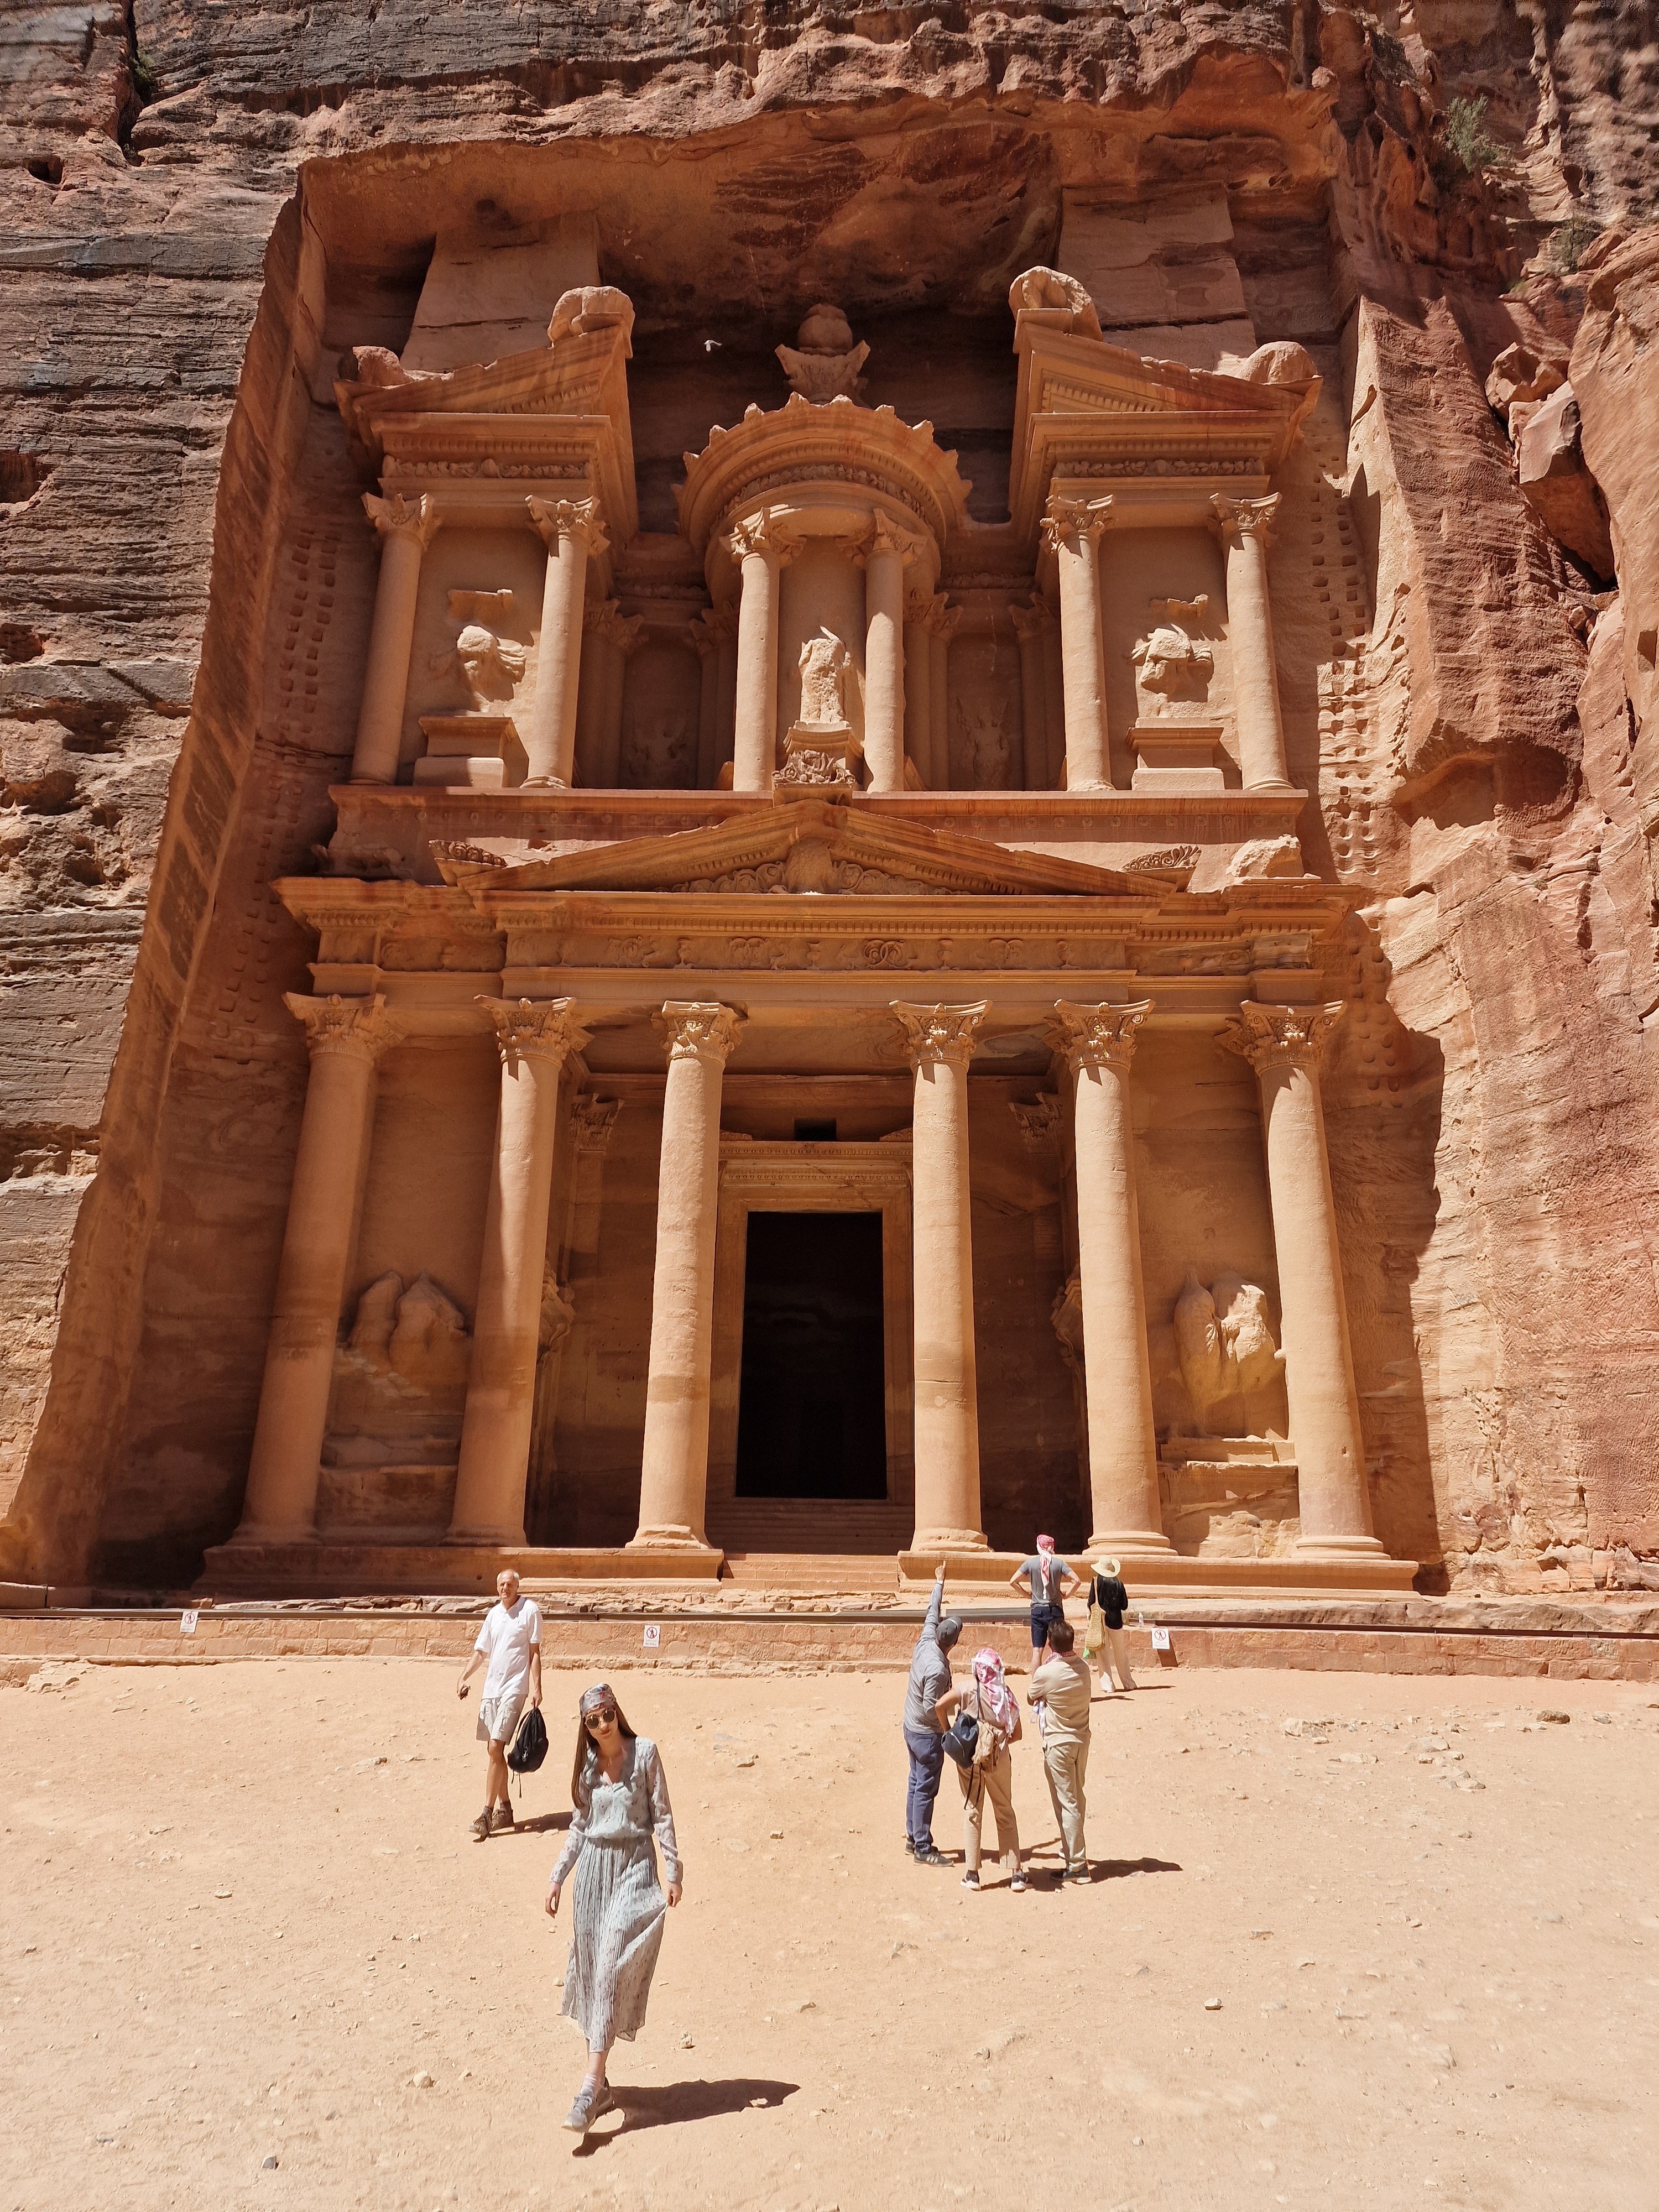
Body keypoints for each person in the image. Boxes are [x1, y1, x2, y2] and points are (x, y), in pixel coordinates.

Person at [545, 1683, 682, 2138]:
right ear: (585, 1727)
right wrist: (557, 1877)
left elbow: (662, 1815)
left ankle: (587, 2090)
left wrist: (674, 1870)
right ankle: (601, 2084)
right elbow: (578, 1828)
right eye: (593, 1720)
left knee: (608, 1966)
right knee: (590, 1974)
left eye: (607, 1714)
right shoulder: (587, 1767)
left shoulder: (645, 1754)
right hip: (592, 1877)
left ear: (617, 1712)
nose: (603, 1724)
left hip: (634, 1869)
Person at [455, 1567, 542, 1840]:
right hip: (491, 1689)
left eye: (509, 1584)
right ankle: (506, 1809)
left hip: (515, 1688)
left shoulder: (530, 1611)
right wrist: (463, 1677)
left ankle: (486, 1813)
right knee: (494, 1752)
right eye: (501, 1584)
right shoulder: (493, 1614)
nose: (505, 1588)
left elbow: (535, 1652)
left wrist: (537, 1687)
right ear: (497, 1588)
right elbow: (481, 1652)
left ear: (517, 1586)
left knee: (495, 1746)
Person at [936, 1647, 1026, 1892]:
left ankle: (972, 1873)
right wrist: (997, 1743)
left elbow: (939, 1706)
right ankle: (1016, 1873)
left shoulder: (967, 1689)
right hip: (998, 1759)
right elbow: (1017, 1734)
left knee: (972, 1811)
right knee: (1005, 1810)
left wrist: (948, 1733)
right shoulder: (1005, 1695)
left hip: (969, 1759)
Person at [903, 1562, 962, 1867]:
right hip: (926, 1734)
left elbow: (931, 1613)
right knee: (926, 1787)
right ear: (954, 1643)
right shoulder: (938, 1669)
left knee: (916, 1782)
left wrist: (939, 1583)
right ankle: (923, 1848)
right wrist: (946, 1729)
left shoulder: (926, 1640)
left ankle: (912, 1837)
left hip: (910, 1725)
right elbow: (932, 1707)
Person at [1028, 1618, 1092, 1882]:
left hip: (1059, 1744)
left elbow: (1031, 1695)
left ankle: (1077, 1865)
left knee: (1067, 1803)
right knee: (1077, 1798)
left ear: (1050, 1644)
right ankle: (1071, 1852)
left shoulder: (1048, 1673)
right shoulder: (1084, 1669)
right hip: (1081, 1741)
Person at [1009, 1533, 1081, 1663]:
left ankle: (1036, 1676)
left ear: (1039, 1546)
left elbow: (1013, 1582)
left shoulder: (1030, 1563)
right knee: (1059, 1649)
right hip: (1055, 1610)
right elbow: (1077, 1581)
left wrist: (1029, 1596)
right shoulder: (1059, 1564)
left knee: (1037, 1651)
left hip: (1038, 1610)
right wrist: (1066, 1595)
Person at [1086, 1555, 1137, 1693]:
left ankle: (1108, 1686)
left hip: (1101, 1621)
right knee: (1121, 1653)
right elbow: (1124, 1606)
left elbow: (1091, 1602)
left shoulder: (1096, 1582)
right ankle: (1128, 1683)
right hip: (1116, 1622)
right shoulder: (1119, 1584)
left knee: (1103, 1655)